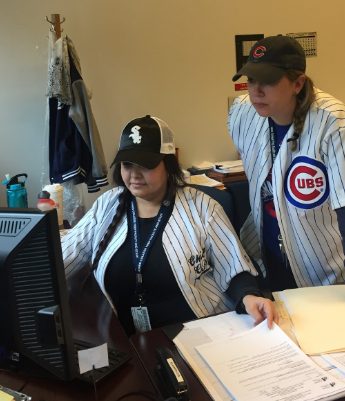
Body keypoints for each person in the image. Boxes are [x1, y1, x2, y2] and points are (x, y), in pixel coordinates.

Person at [62, 115, 277, 335]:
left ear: (169, 163)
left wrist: (249, 295)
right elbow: (63, 255)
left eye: (146, 165)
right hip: (127, 339)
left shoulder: (203, 207)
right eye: (127, 164)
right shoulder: (107, 205)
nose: (134, 174)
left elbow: (233, 265)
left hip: (198, 331)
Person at [228, 35, 345, 314]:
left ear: (297, 83)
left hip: (323, 264)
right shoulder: (242, 112)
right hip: (266, 255)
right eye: (251, 80)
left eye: (269, 81)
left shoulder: (332, 120)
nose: (256, 91)